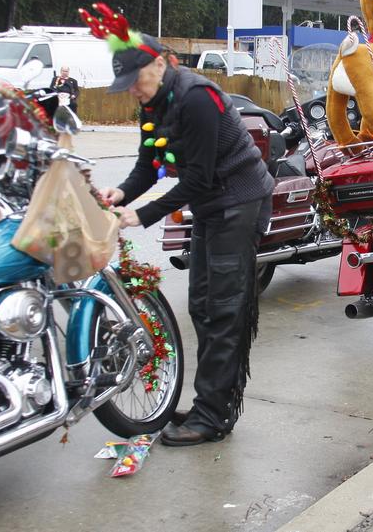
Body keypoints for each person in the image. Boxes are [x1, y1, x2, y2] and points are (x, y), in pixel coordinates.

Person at [98, 31, 273, 446]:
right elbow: (149, 164)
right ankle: (210, 403)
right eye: (127, 86)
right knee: (202, 306)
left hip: (239, 201)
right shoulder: (153, 102)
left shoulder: (196, 98)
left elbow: (199, 177)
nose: (134, 93)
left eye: (137, 81)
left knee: (224, 309)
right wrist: (121, 193)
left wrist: (142, 215)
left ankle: (213, 417)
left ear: (160, 63)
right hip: (212, 204)